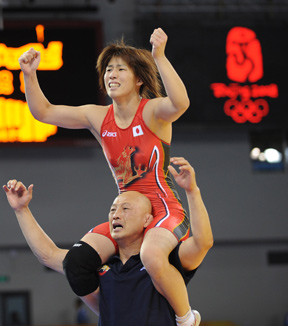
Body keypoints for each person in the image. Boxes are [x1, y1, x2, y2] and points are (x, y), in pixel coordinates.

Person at [19, 27, 194, 324]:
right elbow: (44, 112)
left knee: (152, 257)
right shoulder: (97, 116)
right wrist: (29, 74)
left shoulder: (152, 112)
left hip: (163, 208)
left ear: (138, 78)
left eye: (120, 69)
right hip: (126, 212)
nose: (111, 74)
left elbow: (181, 104)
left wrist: (160, 57)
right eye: (108, 70)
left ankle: (186, 317)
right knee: (76, 263)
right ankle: (110, 312)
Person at [3, 157, 213, 326]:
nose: (116, 215)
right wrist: (21, 210)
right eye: (113, 209)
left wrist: (192, 191)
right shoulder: (103, 268)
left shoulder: (163, 261)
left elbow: (203, 243)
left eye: (125, 209)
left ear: (147, 220)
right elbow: (48, 255)